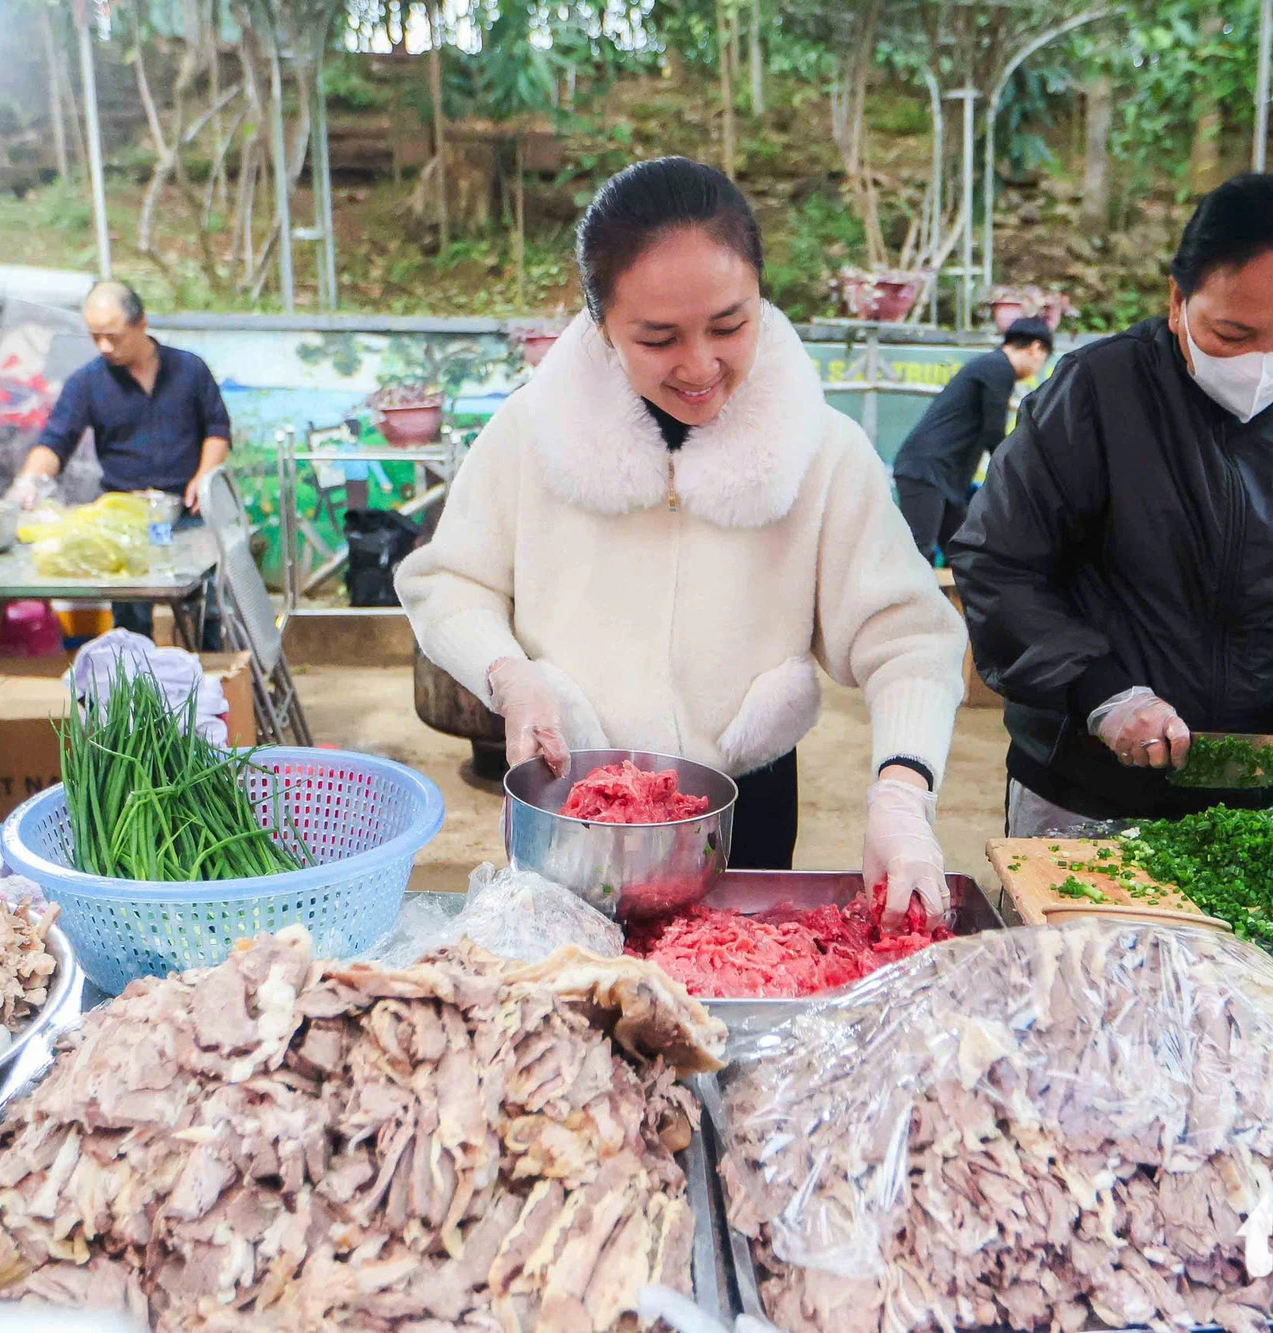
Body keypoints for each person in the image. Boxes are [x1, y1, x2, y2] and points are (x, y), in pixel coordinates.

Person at [397, 157, 968, 924]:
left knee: (731, 1000)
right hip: (570, 795)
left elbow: (909, 637)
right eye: (659, 337)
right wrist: (509, 676)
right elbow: (448, 582)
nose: (701, 366)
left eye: (731, 324)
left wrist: (903, 790)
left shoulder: (821, 451)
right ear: (602, 326)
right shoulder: (531, 435)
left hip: (744, 804)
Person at [948, 172, 1273, 836]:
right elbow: (999, 559)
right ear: (1178, 301)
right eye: (1231, 332)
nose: (1263, 360)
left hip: (1245, 801)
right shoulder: (1098, 396)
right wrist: (1102, 691)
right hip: (1081, 787)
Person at [8, 280, 231, 640]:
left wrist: (203, 478)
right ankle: (135, 691)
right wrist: (29, 481)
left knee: (210, 611)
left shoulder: (190, 370)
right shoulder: (86, 383)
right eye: (96, 337)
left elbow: (218, 430)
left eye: (114, 336)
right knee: (131, 622)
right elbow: (55, 442)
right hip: (126, 521)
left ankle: (218, 680)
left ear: (141, 323)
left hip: (192, 515)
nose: (105, 347)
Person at [891, 317, 1054, 564]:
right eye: (1042, 360)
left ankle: (951, 603)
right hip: (926, 469)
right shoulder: (998, 368)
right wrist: (1019, 477)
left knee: (962, 554)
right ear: (1035, 348)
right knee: (919, 552)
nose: (1037, 368)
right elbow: (994, 432)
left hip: (947, 475)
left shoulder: (993, 367)